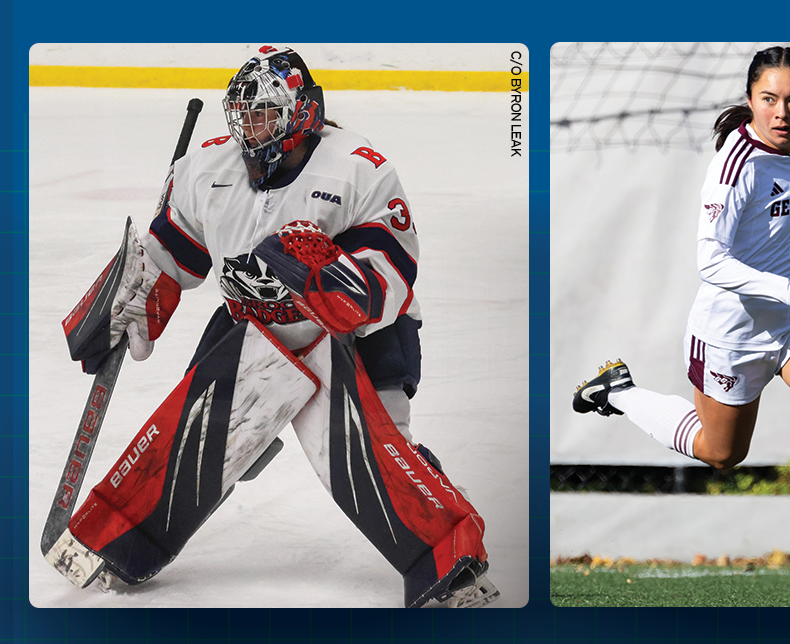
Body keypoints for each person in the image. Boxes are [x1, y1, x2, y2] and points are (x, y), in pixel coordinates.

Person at [47, 46, 497, 608]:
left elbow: (391, 283)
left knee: (377, 456)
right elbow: (170, 257)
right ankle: (123, 541)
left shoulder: (360, 169)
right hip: (253, 330)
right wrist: (132, 304)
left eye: (264, 113)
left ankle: (452, 563)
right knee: (193, 434)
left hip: (359, 337)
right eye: (243, 113)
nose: (250, 127)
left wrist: (324, 275)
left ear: (302, 112)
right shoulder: (207, 169)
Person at [571, 46, 790, 594]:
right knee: (721, 453)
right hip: (731, 334)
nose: (782, 113)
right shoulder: (734, 165)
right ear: (750, 101)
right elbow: (710, 260)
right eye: (769, 100)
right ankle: (618, 391)